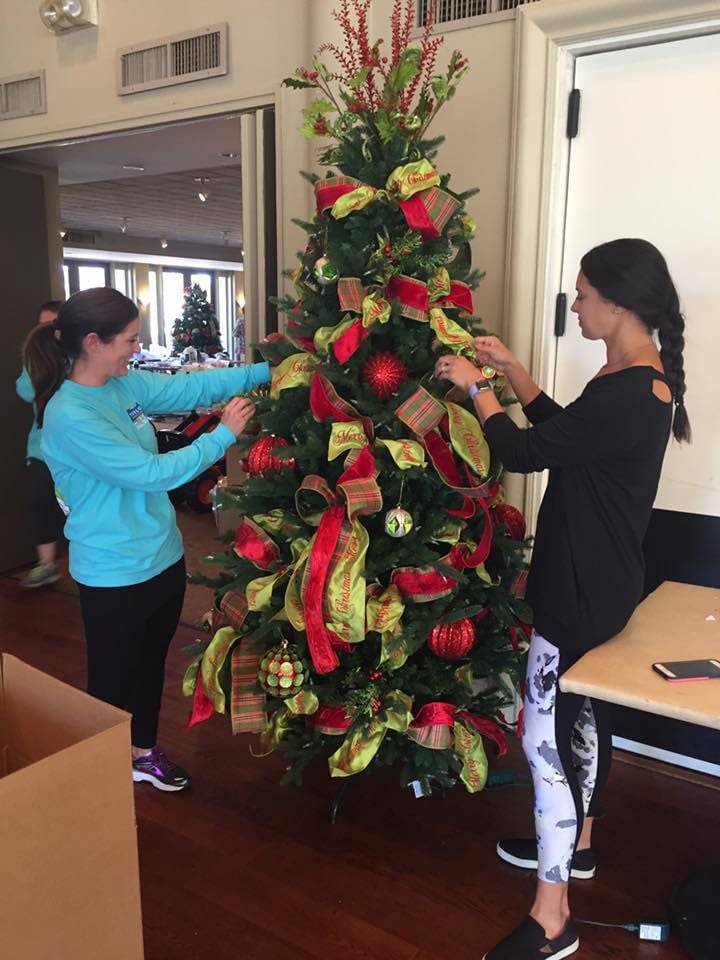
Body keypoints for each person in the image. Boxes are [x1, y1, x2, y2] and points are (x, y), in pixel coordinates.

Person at [434, 238, 691, 960]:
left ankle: (553, 918)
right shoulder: (635, 376)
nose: (574, 305)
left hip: (582, 589)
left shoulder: (631, 391)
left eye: (582, 294)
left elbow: (521, 452)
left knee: (541, 738)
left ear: (617, 303)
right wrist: (513, 370)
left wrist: (474, 385)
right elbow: (564, 434)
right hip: (601, 580)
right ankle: (576, 846)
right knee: (579, 719)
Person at [23, 287, 270, 793]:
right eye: (130, 340)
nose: (136, 348)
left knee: (149, 666)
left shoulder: (122, 383)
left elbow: (186, 390)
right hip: (113, 572)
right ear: (93, 341)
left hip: (162, 557)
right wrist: (221, 437)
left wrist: (269, 370)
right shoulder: (69, 415)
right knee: (113, 681)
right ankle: (103, 770)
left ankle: (142, 753)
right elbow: (148, 473)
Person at [16, 300, 67, 588]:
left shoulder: (78, 359)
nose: (47, 332)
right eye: (42, 326)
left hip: (74, 448)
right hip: (40, 447)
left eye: (53, 326)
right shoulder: (34, 360)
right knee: (38, 498)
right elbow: (24, 390)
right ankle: (46, 564)